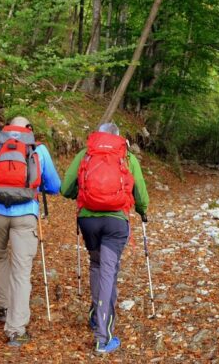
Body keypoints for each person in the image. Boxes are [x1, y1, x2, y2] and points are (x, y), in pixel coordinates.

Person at [0, 116, 61, 346]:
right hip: (25, 214)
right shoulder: (37, 149)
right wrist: (36, 187)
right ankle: (16, 330)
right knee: (21, 270)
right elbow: (55, 186)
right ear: (28, 129)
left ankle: (2, 307)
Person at [61, 122, 149, 354]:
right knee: (108, 272)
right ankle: (103, 337)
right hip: (115, 223)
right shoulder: (126, 156)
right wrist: (142, 210)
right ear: (118, 137)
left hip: (88, 221)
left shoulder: (86, 154)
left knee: (97, 264)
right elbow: (140, 193)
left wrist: (83, 195)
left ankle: (95, 315)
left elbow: (66, 188)